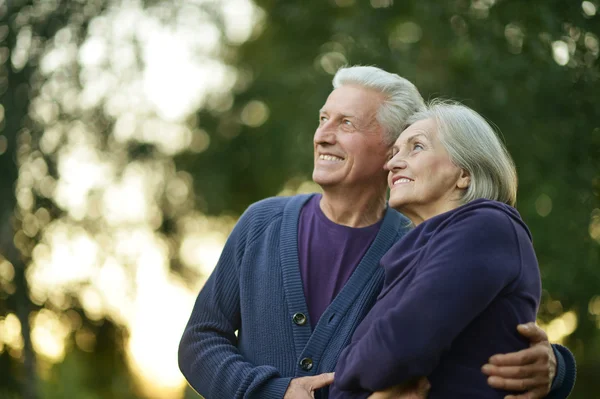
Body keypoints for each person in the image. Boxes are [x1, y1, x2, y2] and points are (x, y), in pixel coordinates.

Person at [178, 66, 576, 399]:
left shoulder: (429, 241)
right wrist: (274, 392)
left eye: (346, 123)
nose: (322, 135)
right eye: (323, 119)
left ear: (391, 151)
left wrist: (557, 368)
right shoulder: (261, 222)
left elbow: (486, 332)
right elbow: (199, 341)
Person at [328, 101, 562, 398]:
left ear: (464, 173)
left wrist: (344, 370)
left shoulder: (486, 227)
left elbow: (400, 344)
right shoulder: (415, 251)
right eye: (395, 153)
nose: (392, 164)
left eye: (416, 147)